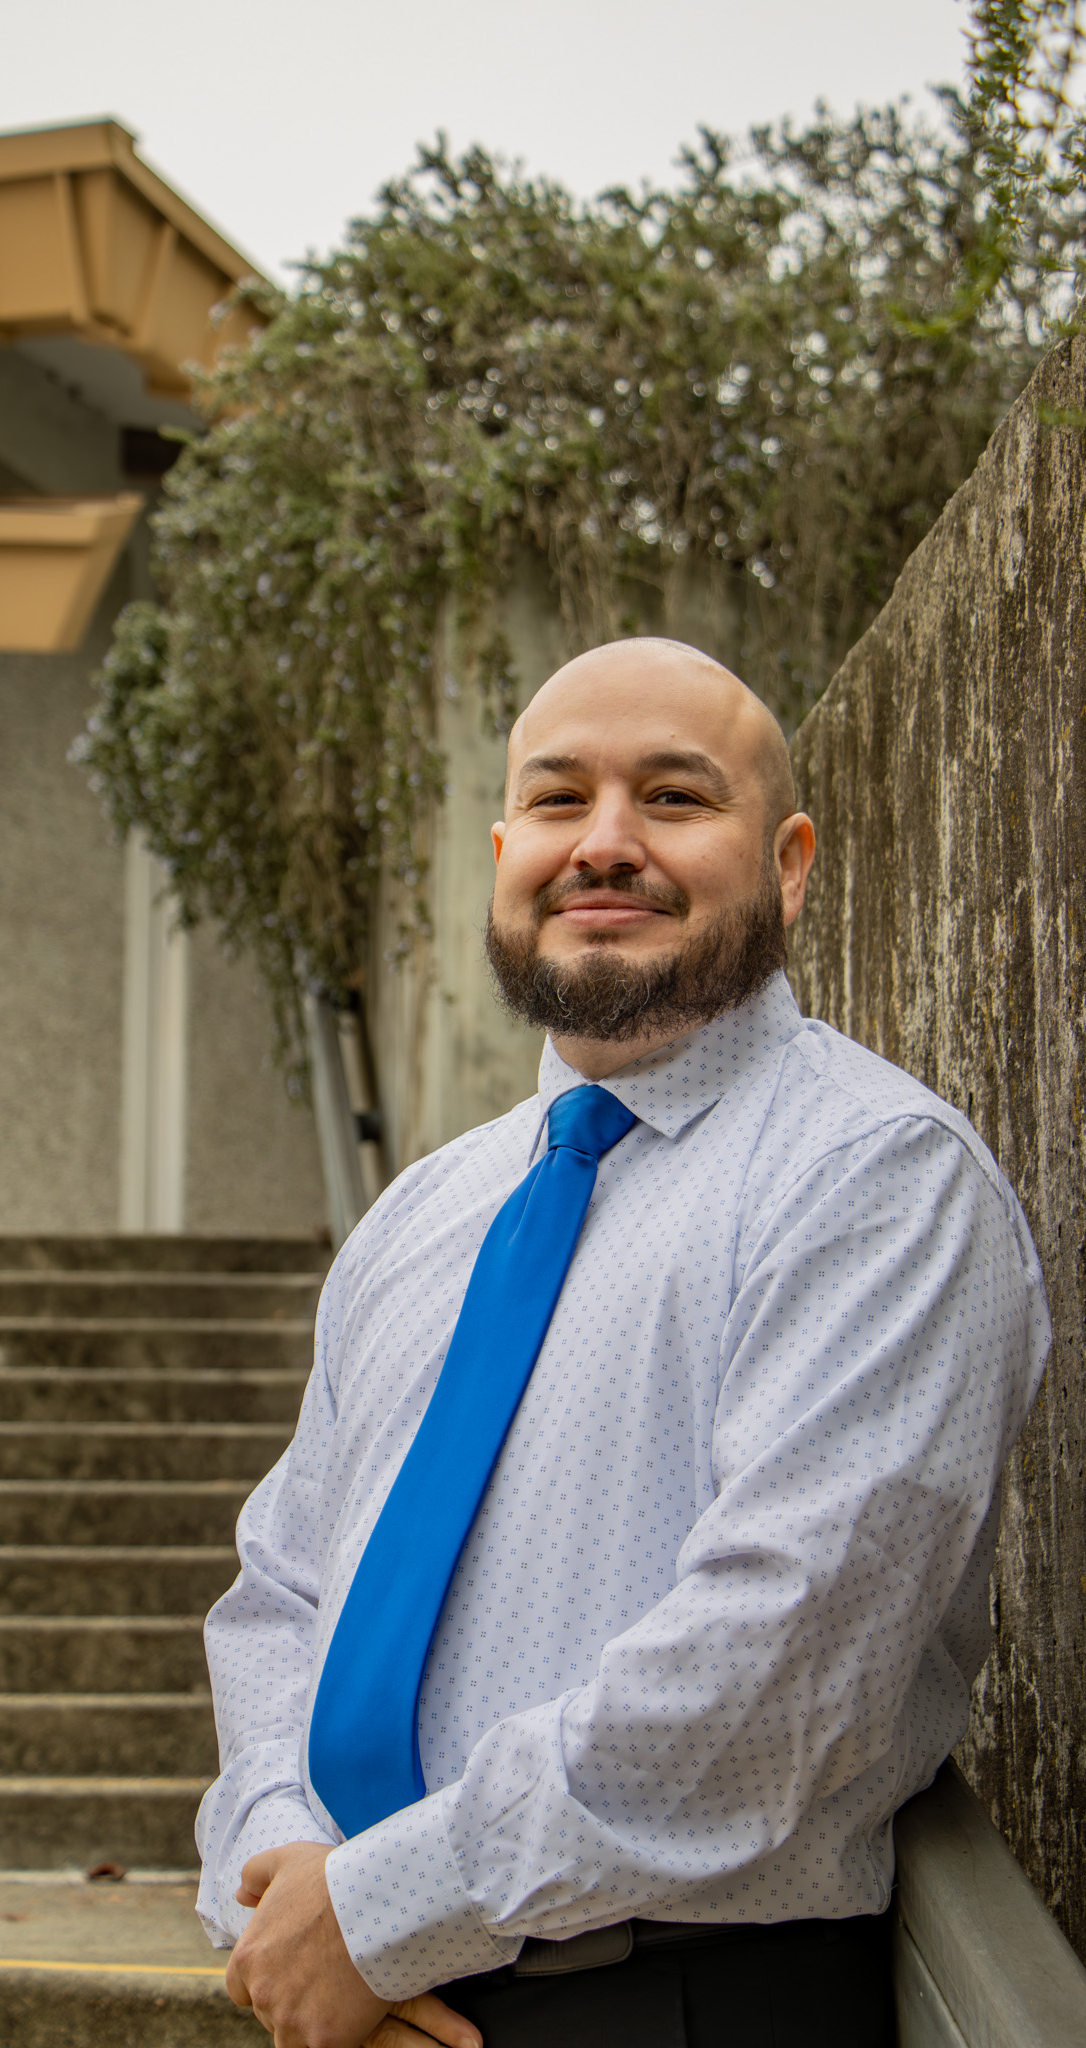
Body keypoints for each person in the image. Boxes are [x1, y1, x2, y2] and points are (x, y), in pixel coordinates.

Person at [194, 637, 1049, 2048]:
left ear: (786, 864)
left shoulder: (876, 1179)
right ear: (502, 855)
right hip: (354, 1991)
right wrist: (287, 1882)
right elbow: (280, 1592)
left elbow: (777, 1681)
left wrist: (383, 1907)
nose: (601, 843)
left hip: (668, 2000)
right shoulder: (424, 1213)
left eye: (672, 796)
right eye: (556, 799)